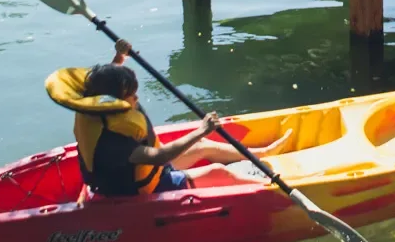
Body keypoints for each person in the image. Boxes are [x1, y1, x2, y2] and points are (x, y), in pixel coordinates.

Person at [46, 39, 290, 199]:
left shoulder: (94, 108)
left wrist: (119, 58)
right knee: (217, 172)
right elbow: (159, 157)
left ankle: (263, 153)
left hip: (139, 172)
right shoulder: (113, 141)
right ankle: (273, 190)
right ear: (115, 100)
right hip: (138, 189)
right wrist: (201, 129)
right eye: (131, 95)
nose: (136, 98)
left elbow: (106, 85)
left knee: (202, 148)